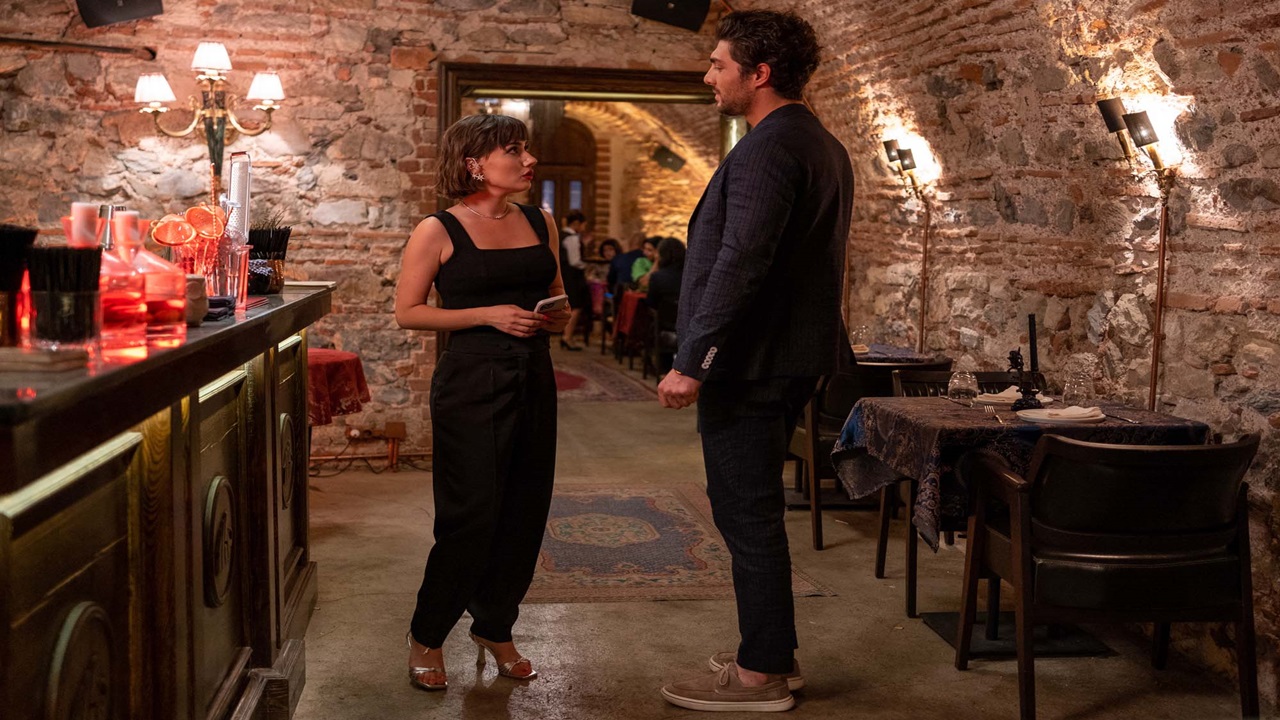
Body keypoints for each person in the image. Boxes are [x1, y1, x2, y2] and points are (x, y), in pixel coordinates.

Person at [656, 9, 853, 713]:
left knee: (746, 512)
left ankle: (761, 674)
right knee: (751, 508)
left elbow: (742, 261)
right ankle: (771, 652)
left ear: (758, 73)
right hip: (784, 356)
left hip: (753, 362)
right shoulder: (817, 140)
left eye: (718, 64)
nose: (708, 75)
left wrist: (694, 360)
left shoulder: (770, 147)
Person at [394, 113, 571, 692]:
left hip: (534, 374)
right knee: (471, 515)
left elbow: (557, 294)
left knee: (525, 510)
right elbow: (408, 312)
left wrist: (559, 315)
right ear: (474, 163)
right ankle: (427, 634)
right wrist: (487, 315)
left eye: (526, 149)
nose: (528, 159)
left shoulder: (541, 220)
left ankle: (495, 627)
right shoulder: (438, 229)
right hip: (471, 381)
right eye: (514, 150)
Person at [644, 237, 685, 375]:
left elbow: (651, 303)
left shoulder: (658, 277)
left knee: (649, 321)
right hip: (689, 326)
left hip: (666, 327)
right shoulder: (689, 276)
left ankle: (658, 366)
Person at [559, 209, 591, 351]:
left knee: (570, 306)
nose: (584, 228)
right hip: (572, 277)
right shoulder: (571, 238)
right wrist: (588, 266)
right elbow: (575, 261)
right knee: (576, 307)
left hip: (564, 275)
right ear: (577, 223)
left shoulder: (561, 235)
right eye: (583, 224)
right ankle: (567, 337)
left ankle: (566, 336)